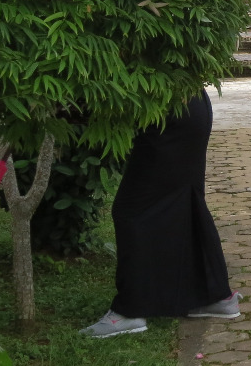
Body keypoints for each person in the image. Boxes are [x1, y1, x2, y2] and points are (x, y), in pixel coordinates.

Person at [82, 90, 240, 338]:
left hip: (170, 111)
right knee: (186, 202)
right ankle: (212, 296)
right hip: (190, 105)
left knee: (132, 210)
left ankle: (129, 312)